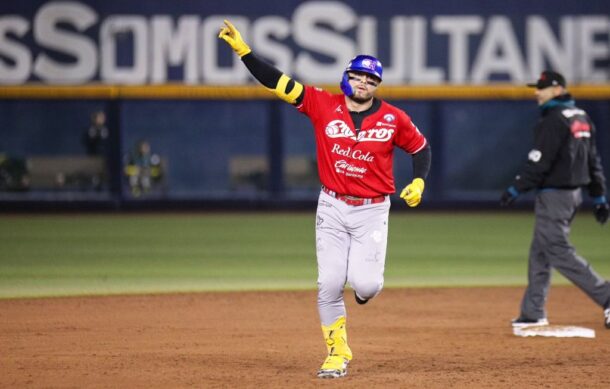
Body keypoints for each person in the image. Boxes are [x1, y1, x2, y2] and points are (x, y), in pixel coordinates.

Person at [219, 20, 431, 378]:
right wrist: (245, 51)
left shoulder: (394, 118)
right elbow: (277, 82)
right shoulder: (320, 103)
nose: (364, 83)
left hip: (372, 209)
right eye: (359, 76)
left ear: (376, 85)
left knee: (366, 285)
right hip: (331, 206)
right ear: (347, 76)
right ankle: (337, 352)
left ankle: (362, 290)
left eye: (371, 80)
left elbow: (420, 147)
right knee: (329, 284)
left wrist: (420, 182)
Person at [500, 70, 610, 330]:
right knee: (540, 250)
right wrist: (599, 196)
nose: (537, 92)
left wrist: (517, 187)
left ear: (558, 90)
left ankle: (606, 296)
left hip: (555, 195)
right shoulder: (581, 117)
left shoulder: (553, 119)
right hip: (573, 196)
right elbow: (593, 161)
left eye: (542, 88)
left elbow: (539, 160)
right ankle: (533, 311)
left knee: (558, 251)